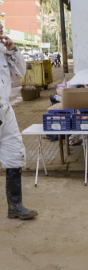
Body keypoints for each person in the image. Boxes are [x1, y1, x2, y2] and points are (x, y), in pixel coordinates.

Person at [0, 22, 38, 219]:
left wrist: (13, 50)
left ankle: (15, 206)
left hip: (5, 113)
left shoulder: (3, 49)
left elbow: (21, 73)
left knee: (15, 154)